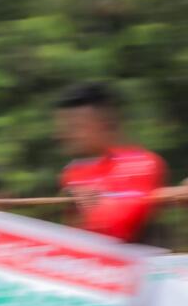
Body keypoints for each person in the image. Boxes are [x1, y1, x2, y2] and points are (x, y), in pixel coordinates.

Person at [56, 82, 167, 243]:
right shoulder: (72, 171)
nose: (65, 135)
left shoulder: (141, 163)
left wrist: (91, 205)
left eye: (75, 127)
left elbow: (119, 227)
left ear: (104, 125)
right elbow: (75, 234)